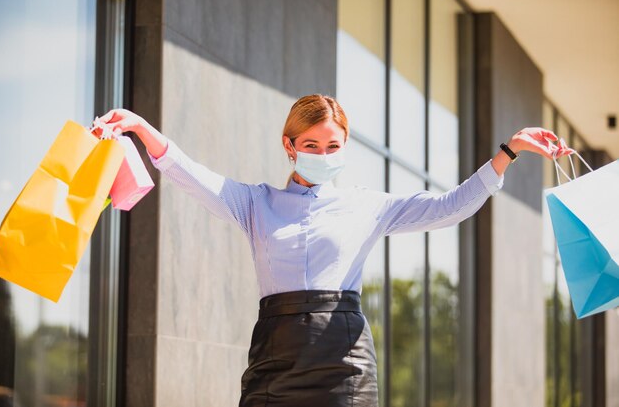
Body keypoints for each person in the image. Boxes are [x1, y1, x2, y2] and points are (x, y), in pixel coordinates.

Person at [97, 94, 572, 407]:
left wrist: (508, 151)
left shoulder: (367, 205)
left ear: (344, 146)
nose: (323, 155)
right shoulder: (254, 203)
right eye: (311, 144)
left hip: (344, 360)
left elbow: (451, 206)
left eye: (332, 145)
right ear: (289, 145)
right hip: (275, 358)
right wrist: (139, 127)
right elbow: (186, 171)